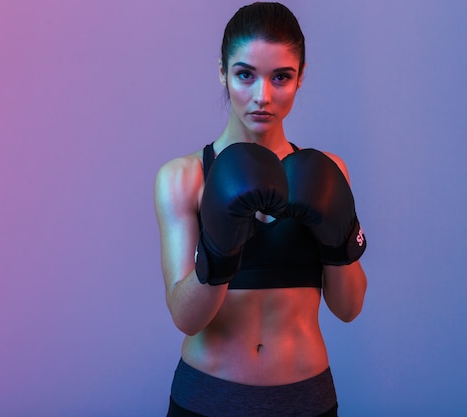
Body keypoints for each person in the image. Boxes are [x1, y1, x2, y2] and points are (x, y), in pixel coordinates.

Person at [154, 3, 368, 416]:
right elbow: (186, 317)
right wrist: (220, 246)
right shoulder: (184, 177)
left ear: (300, 76)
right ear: (222, 72)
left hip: (307, 398)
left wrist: (340, 238)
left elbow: (348, 308)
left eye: (281, 77)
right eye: (245, 75)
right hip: (207, 397)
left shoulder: (328, 171)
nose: (262, 96)